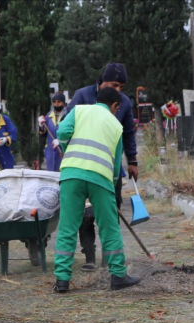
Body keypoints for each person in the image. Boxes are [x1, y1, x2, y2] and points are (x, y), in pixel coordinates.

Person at [53, 87, 141, 292]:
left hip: (71, 175)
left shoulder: (79, 110)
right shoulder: (115, 125)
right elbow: (116, 161)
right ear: (114, 106)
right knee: (109, 227)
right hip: (100, 178)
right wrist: (111, 187)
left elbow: (62, 132)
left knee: (67, 227)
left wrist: (69, 152)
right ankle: (118, 276)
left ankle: (62, 281)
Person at [65, 63, 138, 272]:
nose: (118, 91)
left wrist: (132, 161)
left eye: (121, 87)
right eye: (114, 85)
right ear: (102, 81)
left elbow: (128, 133)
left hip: (109, 169)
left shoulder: (123, 102)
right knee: (85, 213)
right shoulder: (82, 96)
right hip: (83, 167)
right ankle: (89, 256)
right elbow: (65, 125)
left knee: (110, 214)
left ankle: (109, 259)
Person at [39, 91, 68, 171]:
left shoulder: (68, 115)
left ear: (63, 102)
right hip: (50, 152)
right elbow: (43, 134)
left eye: (59, 102)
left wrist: (60, 141)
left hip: (63, 151)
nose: (56, 104)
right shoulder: (48, 115)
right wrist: (41, 126)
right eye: (54, 102)